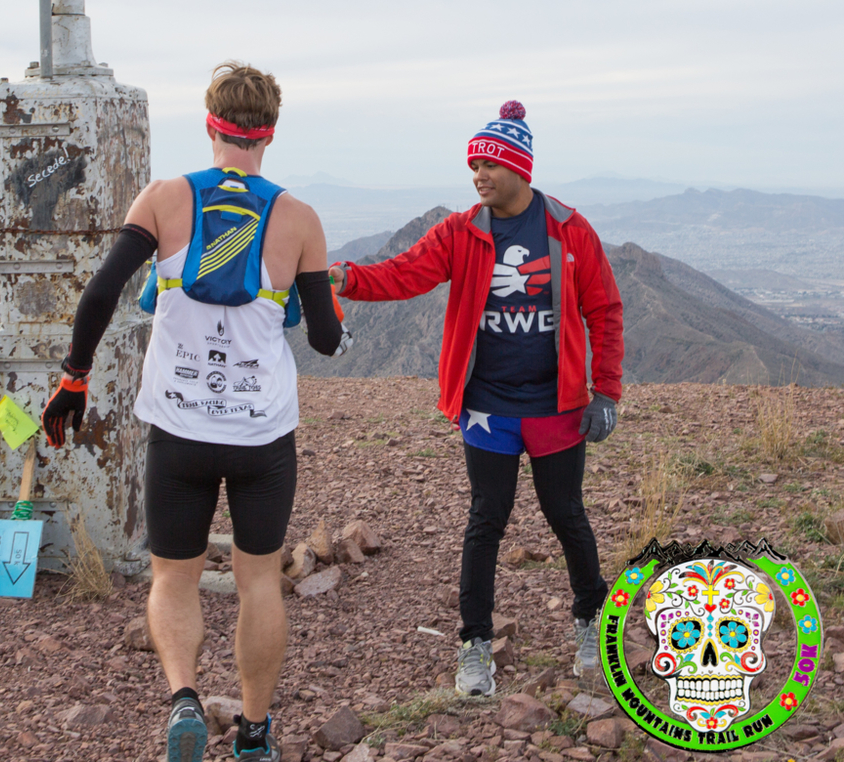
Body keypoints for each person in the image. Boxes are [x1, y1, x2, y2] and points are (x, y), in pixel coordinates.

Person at [42, 61, 350, 762]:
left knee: (173, 579)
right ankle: (254, 733)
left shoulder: (164, 199)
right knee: (257, 583)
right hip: (261, 436)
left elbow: (100, 297)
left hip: (177, 431)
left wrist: (75, 381)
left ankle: (184, 696)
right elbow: (327, 338)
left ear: (211, 124)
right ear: (269, 132)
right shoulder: (299, 218)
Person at [330, 100, 623, 695]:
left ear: (519, 169)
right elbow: (405, 273)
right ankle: (474, 648)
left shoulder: (568, 229)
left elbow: (605, 310)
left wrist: (606, 391)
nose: (477, 176)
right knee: (485, 521)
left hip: (557, 408)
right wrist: (349, 278)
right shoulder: (461, 232)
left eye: (488, 165)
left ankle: (591, 625)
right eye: (474, 167)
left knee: (567, 516)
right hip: (488, 407)